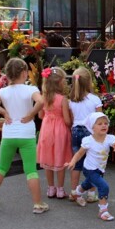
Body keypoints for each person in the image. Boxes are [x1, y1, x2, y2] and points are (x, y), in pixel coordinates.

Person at [0, 58, 48, 214]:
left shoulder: (4, 91)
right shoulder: (30, 89)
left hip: (9, 133)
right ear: (25, 73)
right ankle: (38, 204)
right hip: (26, 134)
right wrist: (31, 114)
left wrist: (4, 112)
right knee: (31, 170)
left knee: (1, 167)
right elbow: (41, 102)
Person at [66, 112, 115, 221]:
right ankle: (103, 211)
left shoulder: (110, 138)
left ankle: (76, 193)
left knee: (88, 184)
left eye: (106, 123)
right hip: (89, 169)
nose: (104, 125)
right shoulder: (88, 141)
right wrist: (72, 162)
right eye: (100, 124)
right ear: (92, 127)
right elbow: (79, 153)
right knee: (103, 186)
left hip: (100, 169)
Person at [68, 66, 102, 206]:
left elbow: (71, 119)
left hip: (76, 131)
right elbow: (100, 119)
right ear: (89, 82)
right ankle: (91, 193)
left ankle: (74, 191)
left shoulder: (72, 100)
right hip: (90, 133)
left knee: (76, 163)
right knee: (93, 164)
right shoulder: (95, 99)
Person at [36, 67, 72, 199]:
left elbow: (40, 115)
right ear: (59, 83)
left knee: (48, 158)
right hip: (60, 131)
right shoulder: (63, 99)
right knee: (60, 158)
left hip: (46, 129)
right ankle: (60, 189)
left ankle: (51, 189)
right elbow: (67, 120)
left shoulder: (43, 97)